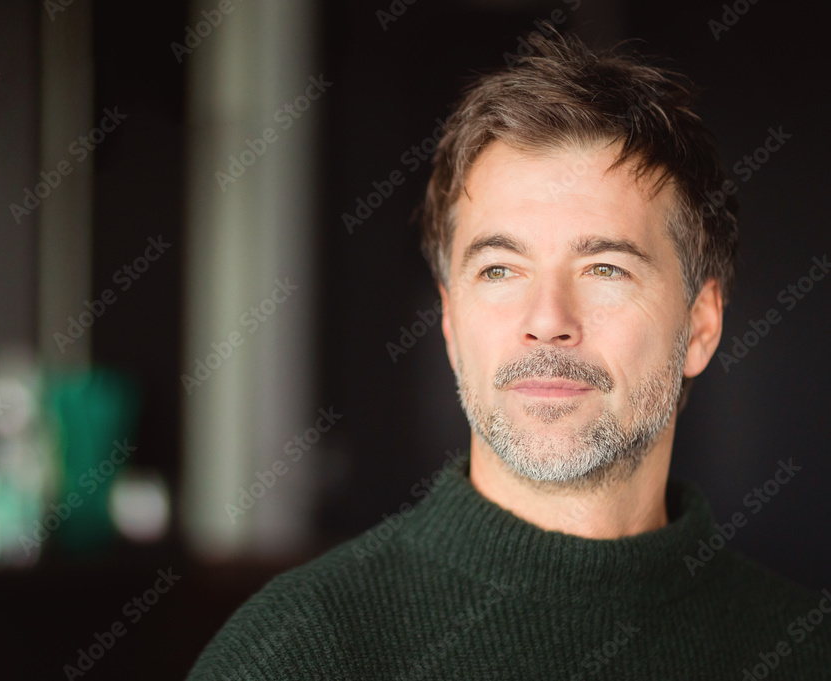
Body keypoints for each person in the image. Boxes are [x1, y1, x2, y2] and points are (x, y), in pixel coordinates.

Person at [186, 30, 831, 680]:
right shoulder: (296, 651)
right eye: (499, 270)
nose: (547, 321)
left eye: (605, 267)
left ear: (700, 326)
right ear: (448, 320)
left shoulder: (803, 649)